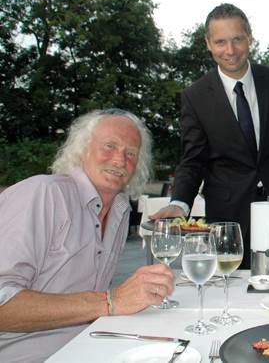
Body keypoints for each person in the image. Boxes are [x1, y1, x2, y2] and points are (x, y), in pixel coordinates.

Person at [0, 109, 174, 362]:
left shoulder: (119, 209)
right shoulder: (42, 195)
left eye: (130, 153)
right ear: (81, 150)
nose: (119, 160)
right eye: (109, 146)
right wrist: (110, 301)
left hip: (92, 345)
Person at [152, 3, 269, 268]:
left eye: (238, 39)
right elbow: (193, 159)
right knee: (231, 291)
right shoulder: (194, 97)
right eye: (220, 42)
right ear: (208, 44)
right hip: (227, 216)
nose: (230, 51)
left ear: (250, 37)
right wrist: (180, 204)